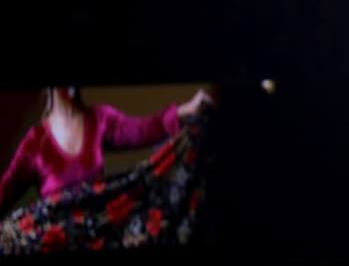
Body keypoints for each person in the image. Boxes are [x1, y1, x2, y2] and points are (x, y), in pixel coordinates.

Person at [0, 86, 212, 214]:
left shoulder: (100, 118)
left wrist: (188, 108)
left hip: (98, 236)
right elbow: (5, 191)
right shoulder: (36, 141)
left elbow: (145, 129)